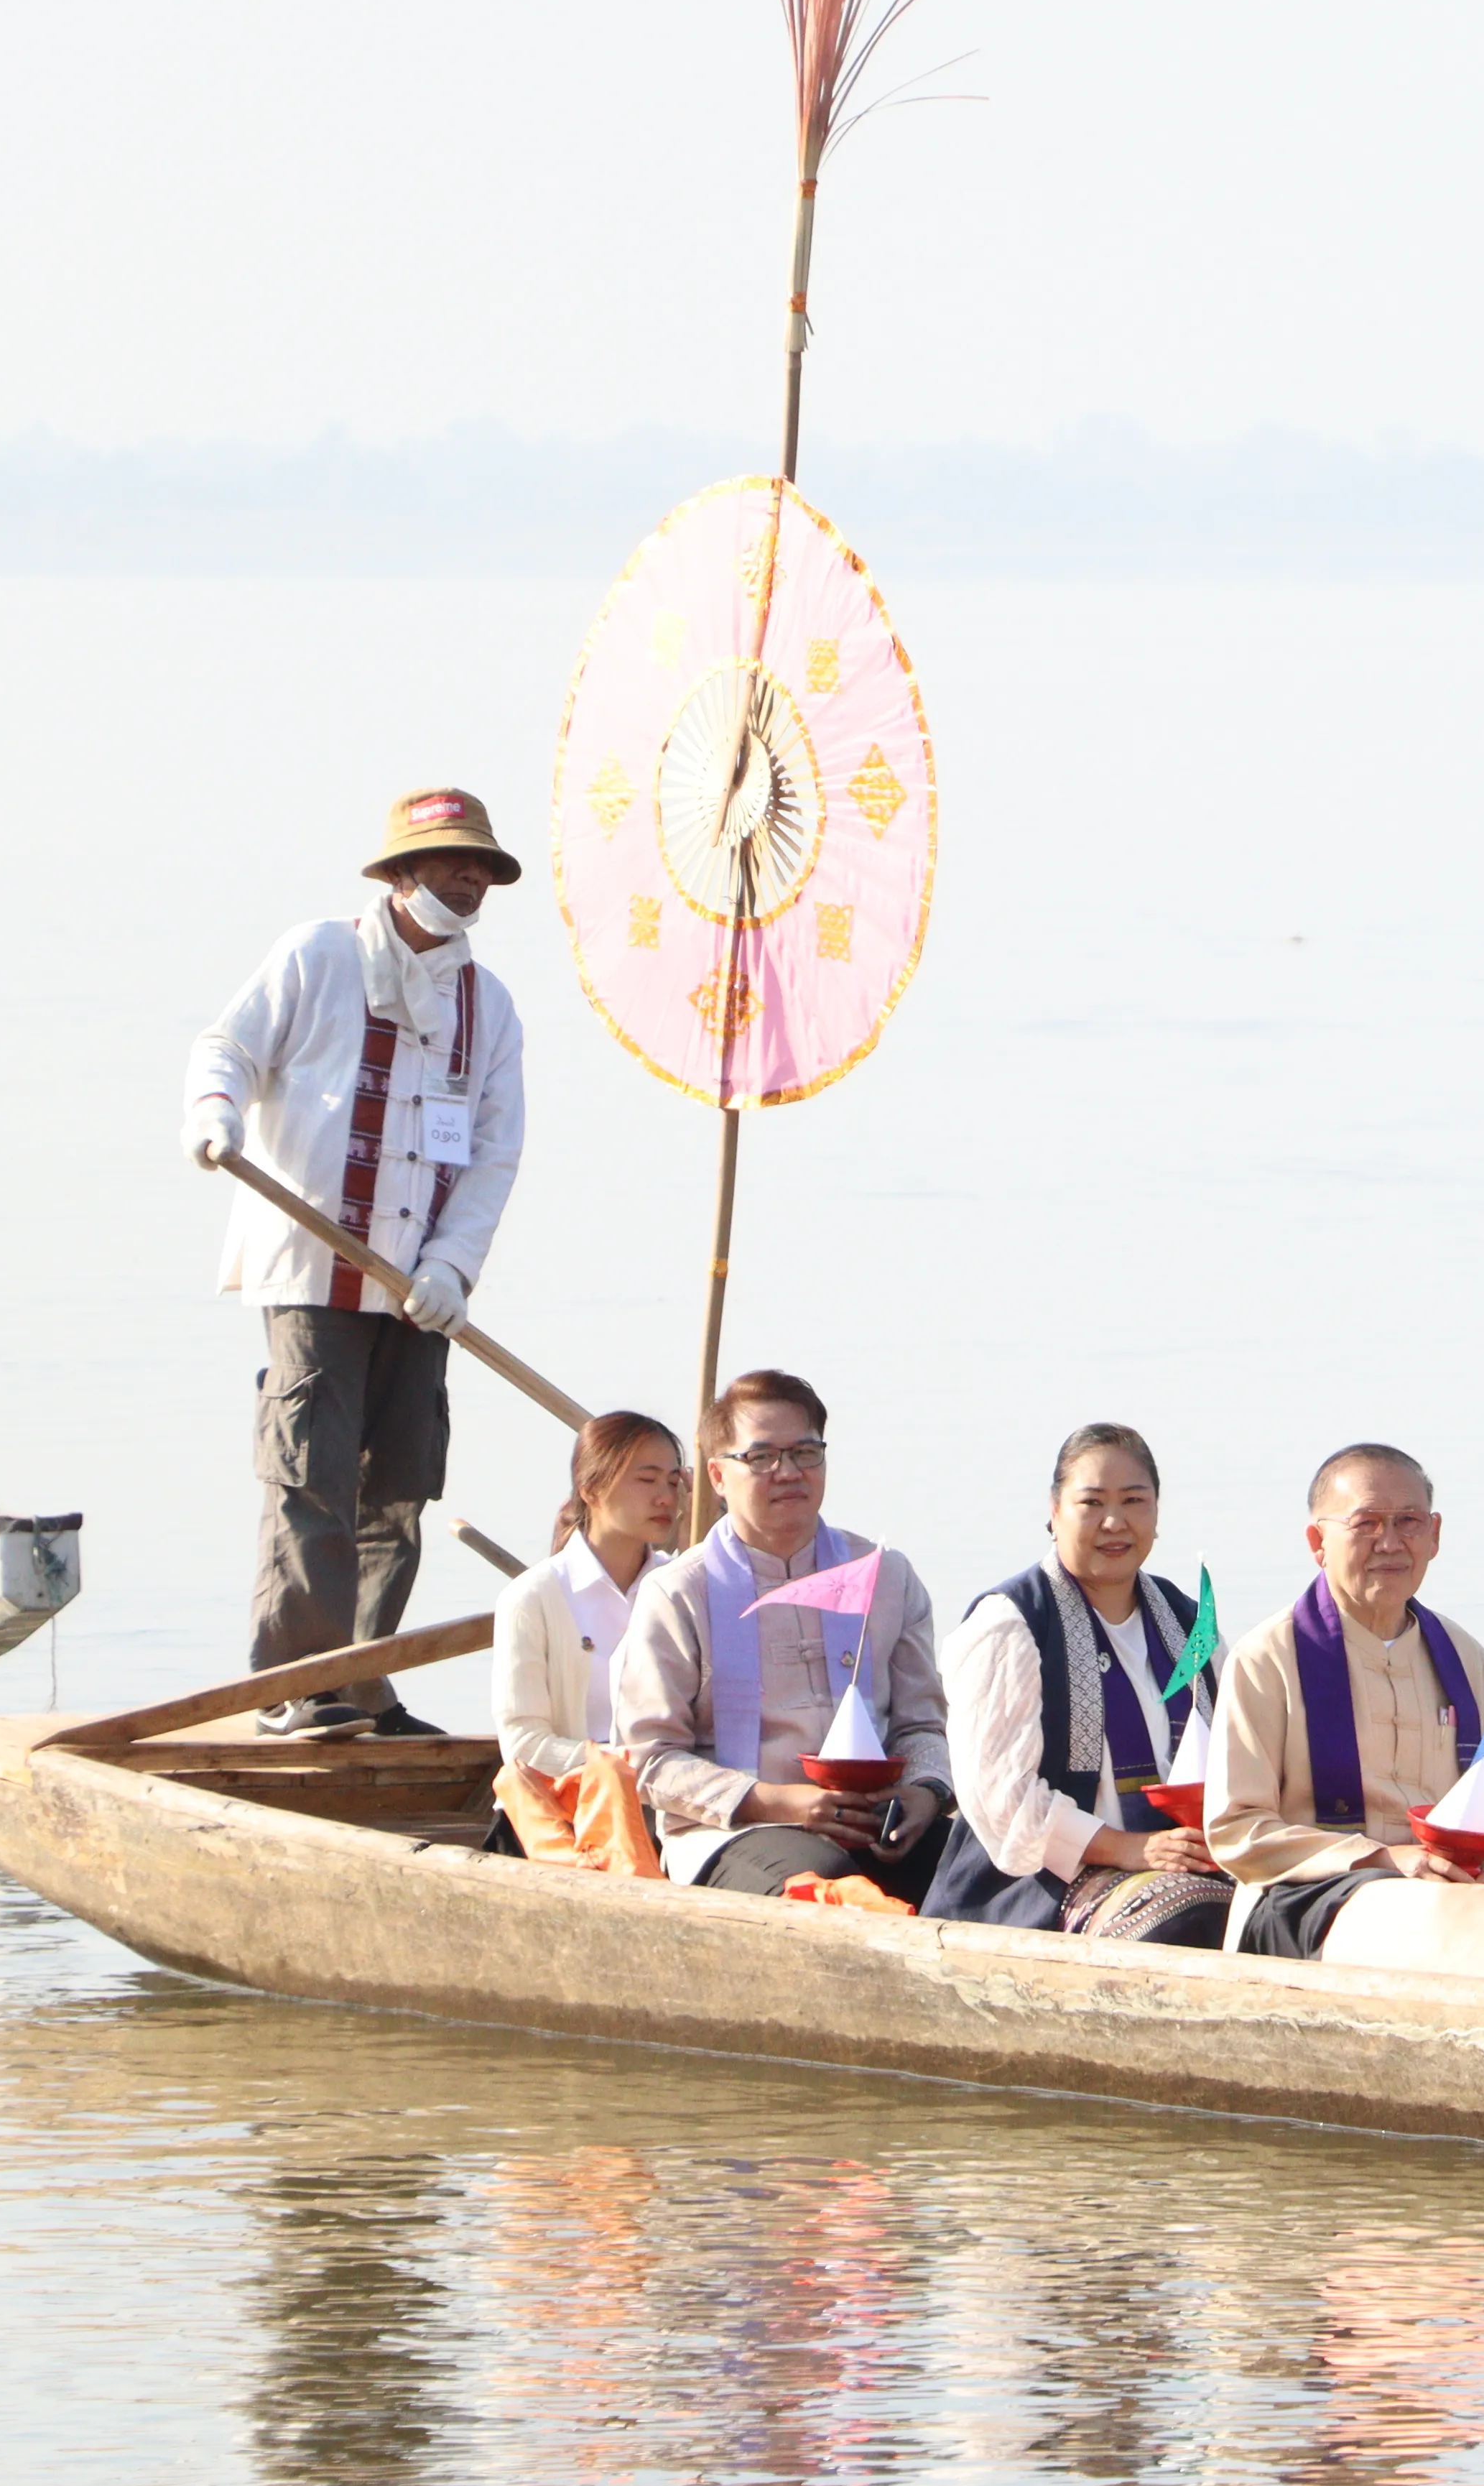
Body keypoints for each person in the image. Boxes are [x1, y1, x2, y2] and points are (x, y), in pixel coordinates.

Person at [182, 786, 534, 1737]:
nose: (471, 879)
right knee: (312, 1477)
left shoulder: (487, 1005)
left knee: (402, 1487)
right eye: (455, 861)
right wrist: (216, 1112)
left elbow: (495, 1153)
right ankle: (296, 1684)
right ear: (402, 872)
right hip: (312, 1270)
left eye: (484, 867)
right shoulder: (319, 955)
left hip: (418, 1293)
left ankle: (365, 1681)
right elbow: (229, 1048)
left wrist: (453, 1271)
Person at [609, 1369, 955, 1899]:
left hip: (878, 1819)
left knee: (995, 1869)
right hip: (740, 1829)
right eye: (762, 1457)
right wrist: (781, 1802)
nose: (788, 1472)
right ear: (718, 1478)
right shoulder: (679, 1592)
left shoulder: (885, 1574)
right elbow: (650, 1760)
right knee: (829, 1885)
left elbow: (923, 1725)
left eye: (805, 1453)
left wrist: (924, 1794)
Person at [1210, 1443, 1484, 1958]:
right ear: (1318, 1541)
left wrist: (1480, 1861)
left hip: (1449, 1886)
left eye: (1409, 1521)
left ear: (1435, 1535)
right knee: (1407, 1914)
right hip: (1309, 1897)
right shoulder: (1268, 1657)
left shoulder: (1463, 1656)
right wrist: (1384, 1858)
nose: (1390, 1542)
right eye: (1366, 1524)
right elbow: (1236, 1829)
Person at [922, 1423, 1228, 1945]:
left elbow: (1235, 1755)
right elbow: (1001, 1800)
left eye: (1134, 1500)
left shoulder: (1188, 1622)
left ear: (1156, 1512)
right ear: (1055, 1510)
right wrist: (1131, 1849)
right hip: (1035, 1884)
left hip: (1180, 1862)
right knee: (1186, 1917)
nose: (1115, 1522)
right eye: (1092, 1503)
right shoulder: (1011, 1624)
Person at [492, 1409, 687, 1785]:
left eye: (674, 1481)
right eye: (647, 1480)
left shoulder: (682, 1584)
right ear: (591, 1489)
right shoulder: (534, 1596)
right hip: (568, 1808)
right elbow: (524, 1746)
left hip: (671, 1803)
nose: (666, 1498)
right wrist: (627, 1765)